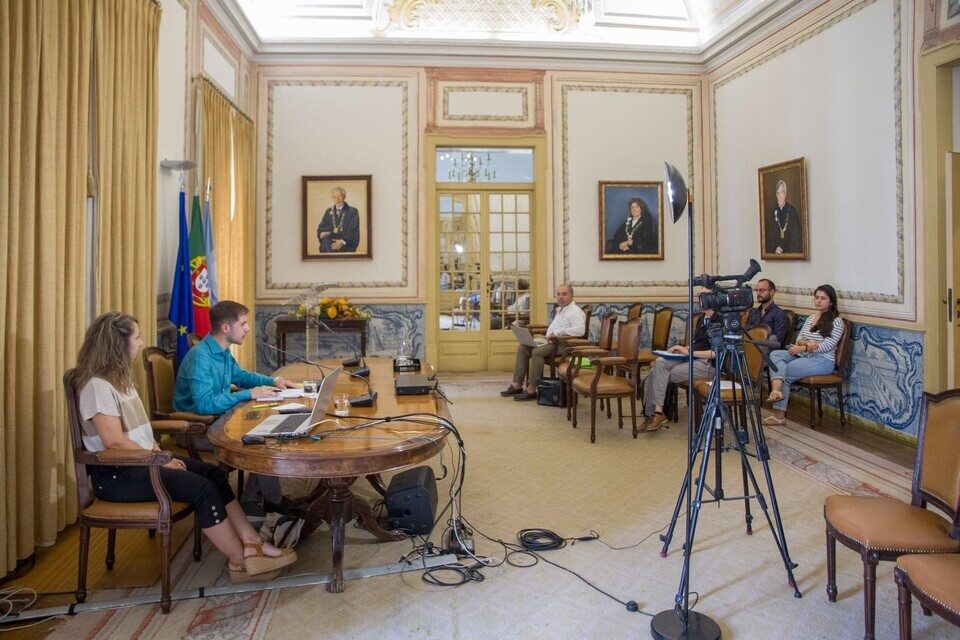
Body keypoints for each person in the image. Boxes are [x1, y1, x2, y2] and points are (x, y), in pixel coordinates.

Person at [69, 312, 297, 583]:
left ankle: (251, 541)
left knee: (213, 475)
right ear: (118, 346)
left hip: (143, 463)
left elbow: (140, 431)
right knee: (203, 490)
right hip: (119, 475)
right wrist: (160, 458)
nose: (141, 343)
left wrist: (157, 453)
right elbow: (114, 442)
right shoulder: (97, 386)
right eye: (137, 338)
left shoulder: (120, 381)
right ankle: (239, 561)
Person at [174, 300, 297, 508]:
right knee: (261, 444)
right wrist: (247, 394)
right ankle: (272, 502)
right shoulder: (200, 357)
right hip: (195, 430)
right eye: (243, 323)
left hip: (219, 421)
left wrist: (274, 381)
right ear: (226, 327)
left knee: (266, 433)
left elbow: (240, 376)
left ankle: (253, 500)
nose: (248, 328)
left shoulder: (221, 352)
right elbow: (204, 405)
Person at [763, 285, 844, 426]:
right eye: (817, 297)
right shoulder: (811, 317)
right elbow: (800, 337)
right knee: (775, 354)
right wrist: (803, 345)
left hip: (823, 361)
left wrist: (805, 347)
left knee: (786, 370)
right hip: (804, 355)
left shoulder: (837, 321)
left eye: (823, 298)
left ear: (831, 302)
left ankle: (779, 416)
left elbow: (828, 345)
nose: (818, 301)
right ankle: (776, 390)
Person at [640, 308, 721, 432]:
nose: (700, 300)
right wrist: (682, 348)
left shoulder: (721, 319)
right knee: (660, 362)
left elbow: (717, 352)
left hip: (708, 365)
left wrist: (689, 351)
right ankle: (655, 414)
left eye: (703, 296)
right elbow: (698, 343)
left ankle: (655, 414)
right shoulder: (702, 318)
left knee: (655, 372)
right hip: (694, 358)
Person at [501, 283, 586, 401]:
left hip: (565, 345)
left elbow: (580, 331)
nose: (561, 297)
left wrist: (557, 333)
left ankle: (532, 389)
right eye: (558, 294)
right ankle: (517, 384)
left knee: (537, 352)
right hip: (551, 342)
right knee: (523, 347)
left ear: (571, 296)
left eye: (564, 294)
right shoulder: (561, 310)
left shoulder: (576, 312)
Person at [745, 278, 790, 347]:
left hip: (767, 351)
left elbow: (778, 338)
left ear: (771, 292)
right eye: (756, 290)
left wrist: (758, 342)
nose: (758, 293)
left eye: (761, 290)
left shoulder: (780, 314)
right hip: (749, 347)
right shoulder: (753, 312)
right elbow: (747, 332)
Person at [316, 187, 360, 253]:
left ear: (344, 197)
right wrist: (322, 232)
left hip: (346, 243)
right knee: (326, 243)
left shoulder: (352, 211)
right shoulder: (328, 211)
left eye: (340, 196)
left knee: (327, 248)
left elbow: (353, 231)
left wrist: (342, 242)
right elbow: (322, 227)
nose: (337, 199)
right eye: (334, 197)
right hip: (330, 242)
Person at [765, 180, 802, 255]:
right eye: (778, 193)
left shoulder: (792, 211)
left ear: (785, 193)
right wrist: (775, 248)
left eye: (782, 192)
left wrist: (783, 250)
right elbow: (770, 237)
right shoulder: (773, 212)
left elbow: (795, 238)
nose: (780, 196)